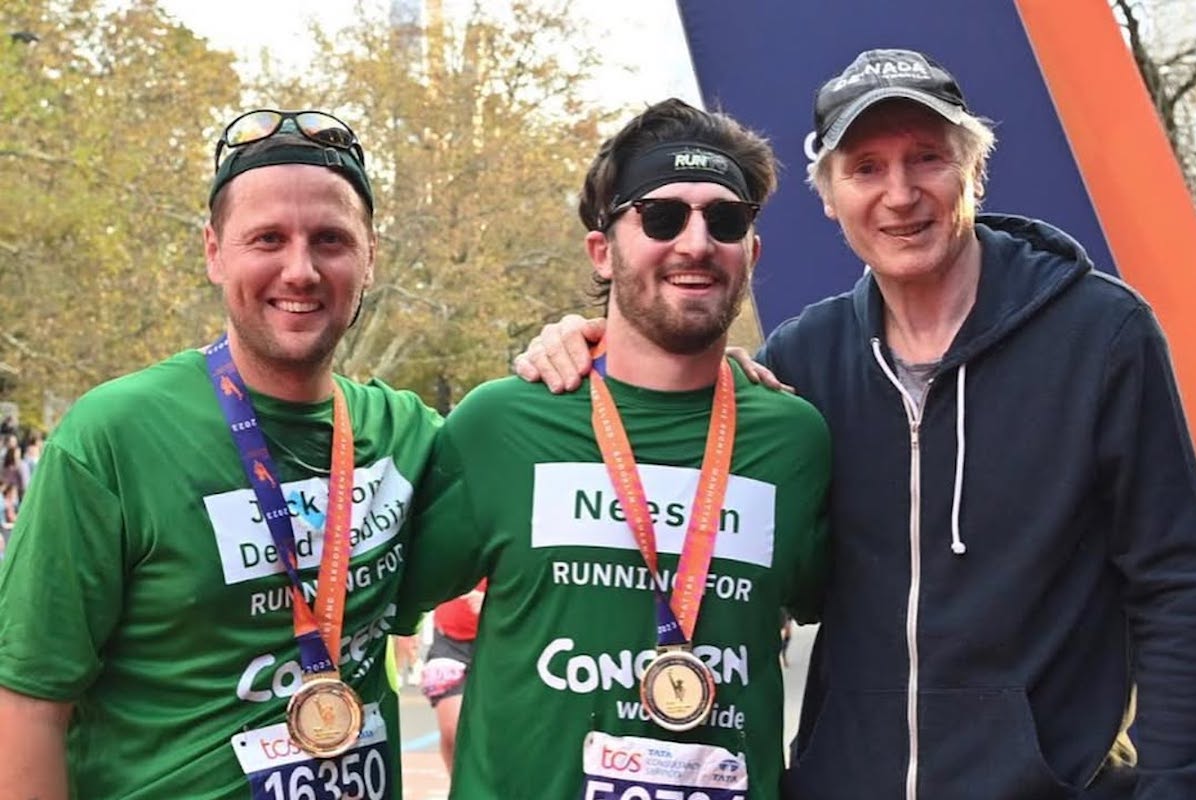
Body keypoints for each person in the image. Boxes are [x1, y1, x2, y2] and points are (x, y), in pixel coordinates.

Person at [516, 48, 1196, 799]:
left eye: (927, 159)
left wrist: (1173, 782)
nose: (900, 194)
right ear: (829, 196)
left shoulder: (1102, 335)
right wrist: (593, 340)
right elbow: (683, 458)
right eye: (866, 168)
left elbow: (1176, 581)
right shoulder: (803, 360)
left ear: (973, 172)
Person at [0, 109, 442, 799]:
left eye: (330, 239)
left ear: (370, 256)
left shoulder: (409, 435)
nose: (300, 269)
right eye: (267, 238)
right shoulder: (113, 437)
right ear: (213, 251)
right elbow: (26, 703)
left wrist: (580, 344)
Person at [398, 98, 830, 798]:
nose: (696, 243)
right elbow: (368, 602)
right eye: (662, 217)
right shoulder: (500, 424)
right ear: (603, 250)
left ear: (750, 251)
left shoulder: (795, 439)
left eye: (725, 220)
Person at [418, 580, 486, 771]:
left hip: (499, 640)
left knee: (493, 736)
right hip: (449, 642)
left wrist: (496, 605)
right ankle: (459, 789)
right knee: (452, 731)